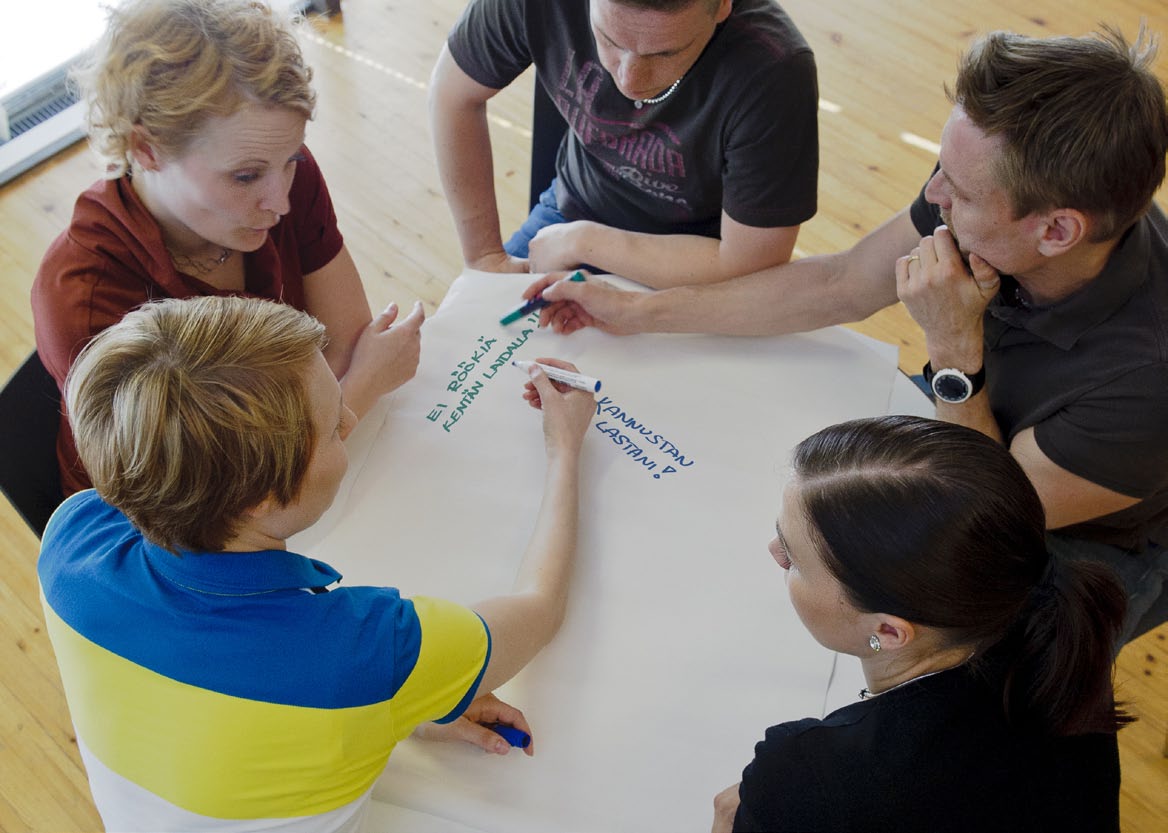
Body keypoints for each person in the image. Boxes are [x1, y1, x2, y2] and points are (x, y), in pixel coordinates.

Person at [529, 25, 1168, 642]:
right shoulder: (995, 196)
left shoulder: (1145, 384)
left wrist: (951, 348)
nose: (934, 193)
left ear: (1056, 232)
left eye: (962, 191)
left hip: (1075, 534)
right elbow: (840, 283)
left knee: (979, 687)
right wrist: (641, 312)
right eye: (941, 167)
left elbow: (985, 518)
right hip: (975, 412)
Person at [37, 295, 594, 832]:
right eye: (332, 427)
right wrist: (564, 448)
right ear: (256, 498)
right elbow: (539, 608)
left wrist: (398, 707)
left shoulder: (70, 536)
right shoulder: (370, 648)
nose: (350, 416)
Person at [32, 0, 425, 497]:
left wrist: (345, 391)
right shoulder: (85, 297)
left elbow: (344, 344)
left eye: (290, 159)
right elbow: (228, 494)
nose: (279, 201)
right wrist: (364, 386)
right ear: (145, 150)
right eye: (245, 176)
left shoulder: (281, 173)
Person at [709, 415, 1128, 833]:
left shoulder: (815, 777)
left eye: (795, 559)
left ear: (889, 632)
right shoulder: (1058, 639)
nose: (774, 553)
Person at [428, 0, 819, 287]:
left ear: (721, 7)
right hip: (572, 211)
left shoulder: (775, 72)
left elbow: (750, 264)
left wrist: (585, 242)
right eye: (609, 40)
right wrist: (483, 256)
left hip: (702, 264)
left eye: (666, 52)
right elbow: (451, 95)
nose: (630, 81)